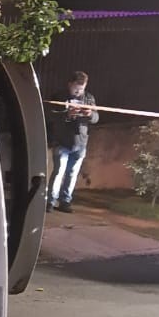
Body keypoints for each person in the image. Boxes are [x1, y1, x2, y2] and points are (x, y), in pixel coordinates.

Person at [47, 70, 98, 213]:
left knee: (72, 173)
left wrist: (90, 114)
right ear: (70, 84)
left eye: (81, 89)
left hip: (80, 142)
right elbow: (51, 117)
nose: (78, 91)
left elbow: (96, 118)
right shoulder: (59, 97)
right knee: (58, 172)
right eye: (76, 88)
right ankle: (50, 201)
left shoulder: (89, 98)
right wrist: (66, 114)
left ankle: (65, 202)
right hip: (62, 141)